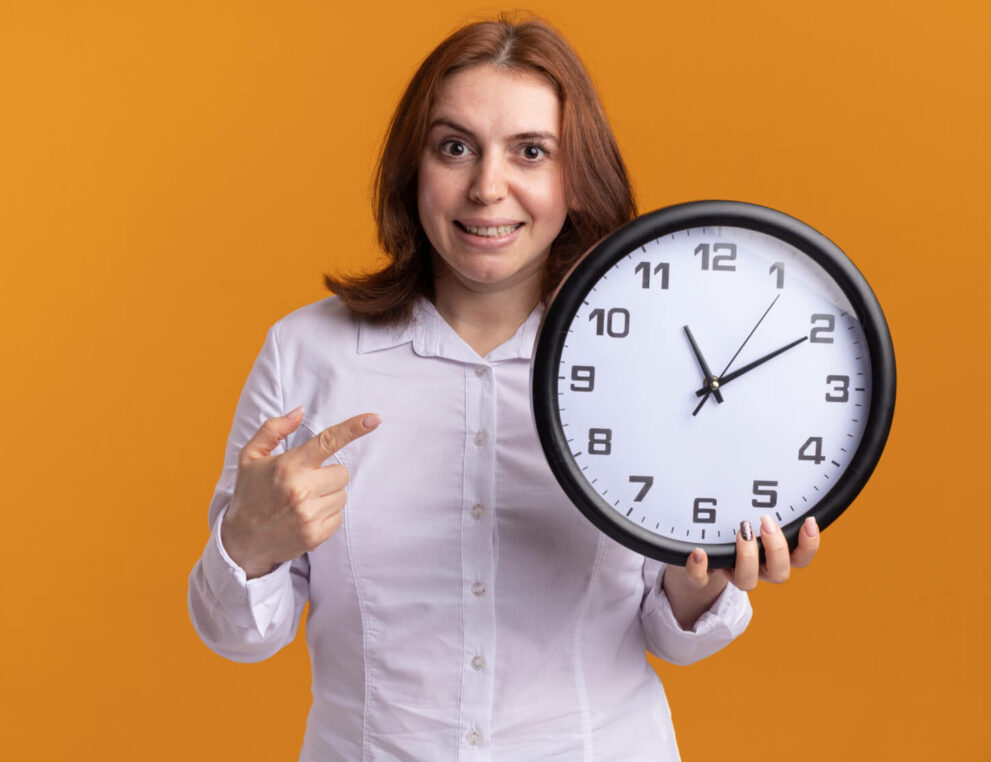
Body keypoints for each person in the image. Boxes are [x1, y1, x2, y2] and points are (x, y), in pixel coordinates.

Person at [187, 14, 820, 761]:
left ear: (575, 177)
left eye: (531, 152)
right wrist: (246, 543)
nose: (488, 188)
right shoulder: (307, 352)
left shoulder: (657, 356)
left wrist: (708, 576)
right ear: (412, 169)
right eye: (455, 147)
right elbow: (240, 639)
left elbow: (671, 639)